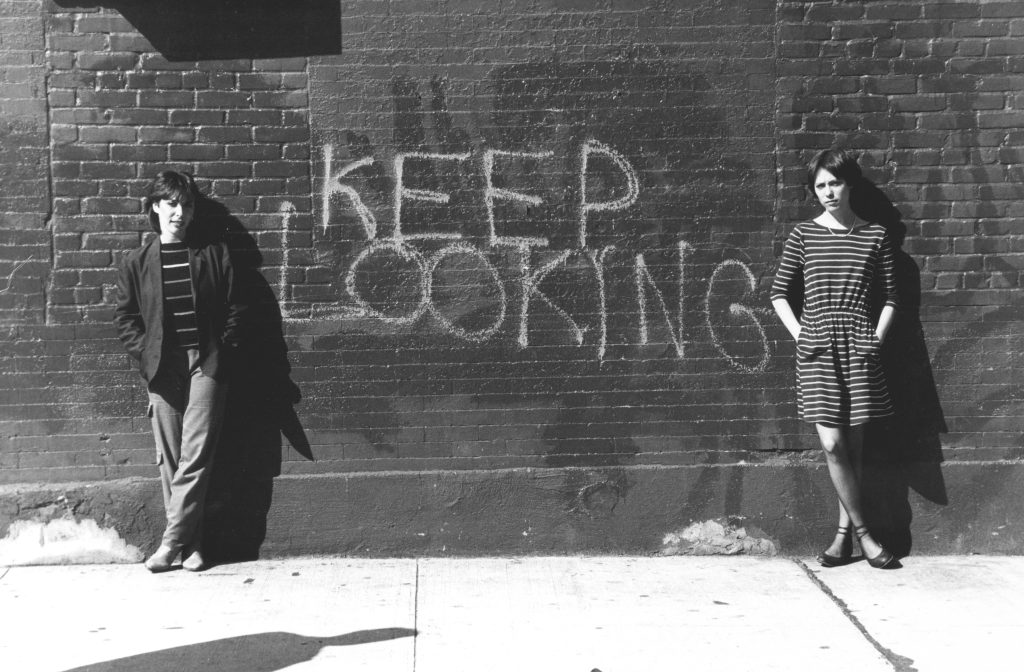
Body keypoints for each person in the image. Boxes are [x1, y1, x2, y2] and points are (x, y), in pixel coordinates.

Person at [771, 149, 898, 569]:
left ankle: (842, 536)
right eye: (820, 185)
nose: (828, 192)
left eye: (834, 183)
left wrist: (875, 339)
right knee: (831, 443)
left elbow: (893, 298)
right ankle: (866, 535)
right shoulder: (803, 235)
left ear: (850, 185)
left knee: (855, 446)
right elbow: (778, 293)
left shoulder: (875, 235)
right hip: (817, 347)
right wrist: (801, 335)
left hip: (859, 345)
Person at [114, 171, 245, 572]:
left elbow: (236, 309)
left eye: (186, 205)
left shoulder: (213, 253)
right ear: (155, 206)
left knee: (196, 455)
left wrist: (224, 348)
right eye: (171, 204)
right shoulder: (136, 263)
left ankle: (169, 543)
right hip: (162, 367)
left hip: (205, 362)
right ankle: (194, 544)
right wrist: (145, 353)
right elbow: (125, 319)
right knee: (170, 459)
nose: (180, 213)